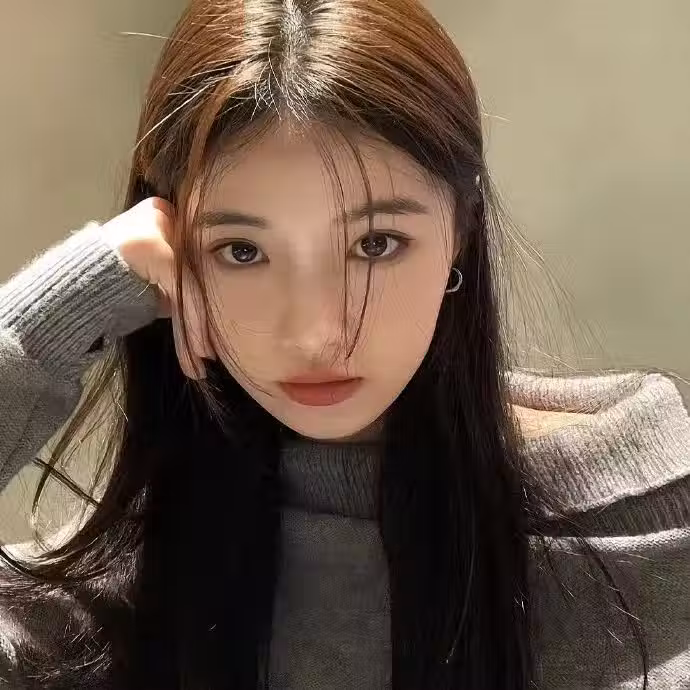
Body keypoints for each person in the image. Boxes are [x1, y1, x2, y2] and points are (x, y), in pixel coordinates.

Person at [0, 0, 688, 687]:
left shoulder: (653, 539)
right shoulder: (117, 599)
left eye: (375, 244)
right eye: (242, 251)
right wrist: (58, 311)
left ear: (462, 229)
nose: (314, 333)